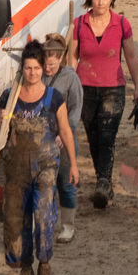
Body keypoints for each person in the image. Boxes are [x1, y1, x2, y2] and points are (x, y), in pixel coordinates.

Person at [0, 43, 78, 275]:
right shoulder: (10, 97)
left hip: (45, 168)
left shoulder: (54, 98)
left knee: (44, 218)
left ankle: (44, 266)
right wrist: (0, 123)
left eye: (36, 68)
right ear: (22, 69)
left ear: (43, 69)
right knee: (16, 221)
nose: (32, 72)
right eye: (28, 68)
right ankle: (25, 268)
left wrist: (73, 165)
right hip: (15, 170)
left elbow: (65, 130)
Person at [70, 0, 138, 210]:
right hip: (85, 88)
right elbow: (72, 57)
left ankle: (103, 182)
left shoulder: (122, 24)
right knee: (93, 137)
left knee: (107, 134)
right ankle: (104, 182)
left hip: (113, 87)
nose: (100, 2)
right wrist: (70, 85)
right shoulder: (79, 24)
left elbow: (131, 57)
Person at [42, 33, 83, 244]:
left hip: (64, 137)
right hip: (42, 137)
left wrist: (65, 131)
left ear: (60, 59)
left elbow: (76, 109)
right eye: (44, 64)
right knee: (44, 184)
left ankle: (68, 226)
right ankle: (45, 222)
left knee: (66, 181)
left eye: (51, 64)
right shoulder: (37, 74)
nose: (47, 69)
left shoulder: (70, 77)